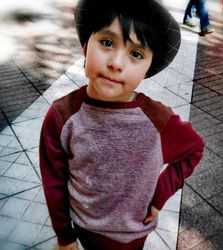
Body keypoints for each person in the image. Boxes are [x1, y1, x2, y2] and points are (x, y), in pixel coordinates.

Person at [39, 0, 205, 249]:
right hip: (83, 228)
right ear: (86, 48)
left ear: (147, 69)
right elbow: (53, 179)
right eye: (107, 42)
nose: (116, 62)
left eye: (136, 54)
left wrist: (160, 195)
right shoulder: (62, 116)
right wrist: (64, 236)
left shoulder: (159, 122)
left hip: (133, 235)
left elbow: (195, 148)